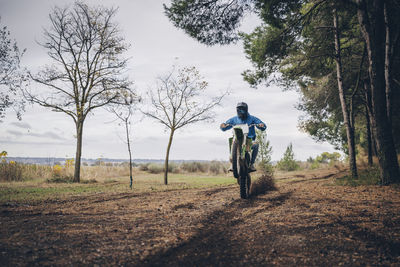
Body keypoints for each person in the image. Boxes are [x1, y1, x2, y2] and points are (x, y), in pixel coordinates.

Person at [220, 102, 267, 172]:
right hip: (237, 140)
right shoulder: (234, 119)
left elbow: (262, 125)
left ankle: (251, 164)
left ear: (246, 110)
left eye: (242, 109)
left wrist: (261, 125)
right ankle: (233, 163)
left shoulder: (252, 118)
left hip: (249, 140)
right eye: (238, 109)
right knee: (231, 140)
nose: (240, 111)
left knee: (256, 145)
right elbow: (225, 126)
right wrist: (223, 125)